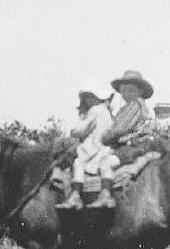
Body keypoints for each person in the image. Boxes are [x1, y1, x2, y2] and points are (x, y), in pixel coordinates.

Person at [56, 79, 121, 209]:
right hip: (104, 147)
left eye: (89, 97)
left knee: (78, 163)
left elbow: (82, 129)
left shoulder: (95, 110)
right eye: (85, 98)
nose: (87, 101)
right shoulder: (105, 111)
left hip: (94, 148)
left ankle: (75, 195)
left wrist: (72, 131)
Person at [102, 70, 155, 161]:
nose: (126, 94)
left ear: (140, 91)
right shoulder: (128, 107)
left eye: (131, 91)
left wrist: (106, 135)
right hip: (129, 141)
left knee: (103, 162)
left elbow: (121, 128)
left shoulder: (135, 105)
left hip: (130, 146)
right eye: (123, 90)